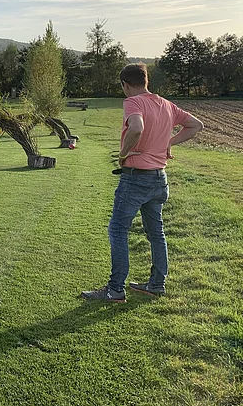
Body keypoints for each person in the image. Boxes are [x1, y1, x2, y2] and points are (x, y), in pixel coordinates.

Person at [81, 63, 203, 303]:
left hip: (136, 177)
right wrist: (169, 142)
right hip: (160, 178)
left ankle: (115, 289)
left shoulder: (132, 102)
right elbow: (196, 125)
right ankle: (157, 284)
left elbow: (136, 127)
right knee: (156, 232)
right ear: (146, 80)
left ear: (125, 85)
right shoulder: (167, 104)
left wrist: (124, 154)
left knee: (118, 229)